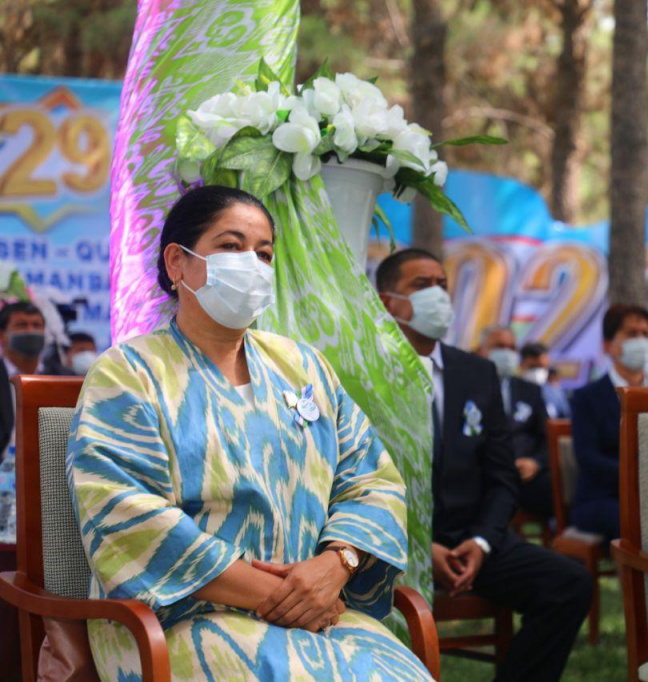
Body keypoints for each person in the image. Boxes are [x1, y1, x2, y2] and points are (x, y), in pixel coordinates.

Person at [67, 186, 430, 681]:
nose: (252, 265)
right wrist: (280, 596)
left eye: (263, 253)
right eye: (231, 247)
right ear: (177, 263)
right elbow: (127, 515)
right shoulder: (128, 374)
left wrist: (337, 564)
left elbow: (373, 482)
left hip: (315, 611)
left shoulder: (303, 367)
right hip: (179, 619)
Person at [377, 248, 591, 682]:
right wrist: (420, 547)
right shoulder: (366, 371)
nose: (437, 295)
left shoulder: (476, 373)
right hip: (390, 545)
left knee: (569, 583)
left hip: (470, 540)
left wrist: (482, 541)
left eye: (441, 285)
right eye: (421, 285)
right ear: (386, 302)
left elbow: (502, 476)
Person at [570, 304, 648, 543]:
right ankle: (637, 581)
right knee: (640, 520)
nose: (641, 340)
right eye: (632, 334)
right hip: (605, 498)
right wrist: (641, 477)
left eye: (645, 333)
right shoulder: (587, 398)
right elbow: (588, 457)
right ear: (608, 345)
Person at [477, 325, 553, 520]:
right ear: (482, 350)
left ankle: (564, 541)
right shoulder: (469, 389)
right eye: (500, 346)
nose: (507, 353)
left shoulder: (530, 391)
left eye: (512, 348)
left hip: (526, 476)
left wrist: (536, 463)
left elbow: (547, 438)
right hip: (484, 475)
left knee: (558, 487)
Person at [0, 301, 72, 453]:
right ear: (2, 335)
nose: (30, 331)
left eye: (36, 325)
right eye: (21, 325)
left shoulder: (64, 378)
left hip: (49, 467)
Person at [520, 342, 571, 418]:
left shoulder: (555, 394)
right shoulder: (512, 391)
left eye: (541, 367)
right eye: (532, 367)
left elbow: (565, 420)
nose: (537, 371)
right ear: (522, 364)